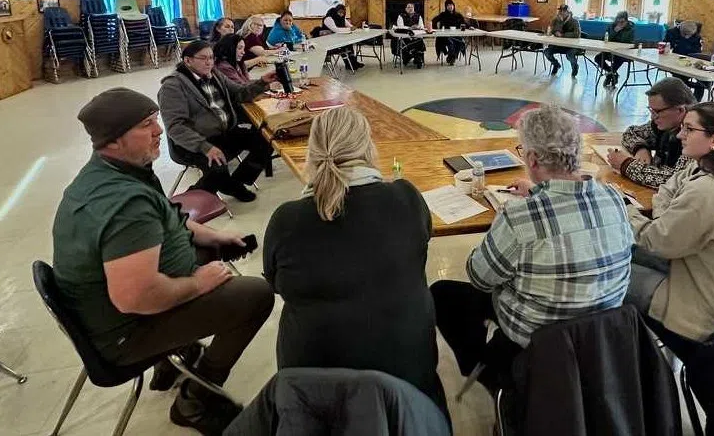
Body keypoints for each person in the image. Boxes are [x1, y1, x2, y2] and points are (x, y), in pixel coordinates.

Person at [52, 87, 275, 434]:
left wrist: (216, 238)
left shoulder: (117, 171)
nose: (159, 130)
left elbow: (169, 221)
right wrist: (197, 283)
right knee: (256, 295)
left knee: (204, 253)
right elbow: (135, 297)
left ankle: (174, 358)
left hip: (114, 312)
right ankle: (195, 400)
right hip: (126, 332)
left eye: (155, 119)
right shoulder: (125, 205)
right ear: (113, 140)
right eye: (145, 125)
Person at [431, 105, 633, 393]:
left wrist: (506, 222)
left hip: (540, 340)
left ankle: (491, 372)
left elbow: (479, 277)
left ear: (533, 158)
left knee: (443, 294)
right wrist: (537, 191)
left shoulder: (518, 218)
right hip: (600, 334)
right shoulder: (613, 198)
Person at [263, 107, 449, 419]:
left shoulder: (288, 219)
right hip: (409, 381)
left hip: (316, 389)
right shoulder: (406, 198)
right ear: (367, 147)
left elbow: (276, 284)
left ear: (313, 151)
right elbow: (419, 250)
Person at [623, 102, 714, 345]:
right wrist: (667, 216)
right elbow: (667, 189)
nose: (680, 135)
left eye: (689, 130)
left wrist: (624, 210)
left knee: (609, 272)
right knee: (626, 250)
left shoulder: (709, 190)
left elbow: (656, 242)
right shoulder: (711, 167)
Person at [158, 40, 275, 202]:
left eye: (212, 58)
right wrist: (205, 147)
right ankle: (186, 203)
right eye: (203, 58)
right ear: (188, 60)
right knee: (217, 169)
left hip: (224, 134)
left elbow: (240, 94)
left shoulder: (215, 74)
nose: (209, 62)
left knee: (268, 139)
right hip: (193, 143)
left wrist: (262, 82)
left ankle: (234, 183)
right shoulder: (172, 87)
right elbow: (176, 127)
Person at [606, 77, 696, 188]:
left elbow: (673, 180)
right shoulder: (666, 124)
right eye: (651, 110)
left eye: (657, 111)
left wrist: (625, 164)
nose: (653, 117)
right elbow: (631, 133)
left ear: (680, 110)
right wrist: (640, 148)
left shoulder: (696, 136)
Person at [594, 11, 635, 85]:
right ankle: (612, 73)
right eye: (618, 21)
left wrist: (622, 29)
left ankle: (610, 75)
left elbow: (627, 42)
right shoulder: (611, 26)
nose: (619, 23)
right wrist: (615, 31)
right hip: (610, 50)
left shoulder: (630, 29)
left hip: (624, 52)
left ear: (626, 21)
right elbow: (605, 39)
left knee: (619, 58)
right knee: (598, 58)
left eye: (622, 21)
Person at [543, 5, 581, 77]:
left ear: (568, 12)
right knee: (547, 52)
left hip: (571, 46)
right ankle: (556, 64)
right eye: (560, 10)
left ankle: (575, 67)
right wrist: (559, 23)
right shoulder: (556, 20)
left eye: (564, 11)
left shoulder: (575, 21)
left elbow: (577, 34)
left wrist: (563, 35)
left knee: (569, 55)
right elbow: (553, 31)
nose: (562, 12)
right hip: (559, 45)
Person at [322, 4, 363, 70]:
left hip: (338, 39)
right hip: (329, 42)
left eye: (343, 13)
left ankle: (353, 63)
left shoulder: (342, 18)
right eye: (340, 12)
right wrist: (349, 29)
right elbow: (336, 30)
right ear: (336, 11)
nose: (341, 14)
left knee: (349, 44)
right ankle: (349, 64)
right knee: (345, 45)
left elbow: (350, 26)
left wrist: (354, 27)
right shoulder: (328, 19)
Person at [431, 0, 467, 65]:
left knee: (460, 41)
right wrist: (436, 29)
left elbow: (464, 23)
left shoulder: (458, 15)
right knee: (450, 41)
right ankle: (452, 57)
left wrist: (469, 26)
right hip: (445, 36)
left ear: (453, 6)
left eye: (451, 5)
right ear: (446, 7)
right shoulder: (443, 14)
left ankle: (452, 57)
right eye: (448, 5)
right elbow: (434, 20)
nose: (450, 7)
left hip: (456, 35)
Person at [394, 2, 427, 68]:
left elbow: (422, 26)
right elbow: (400, 27)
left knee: (419, 41)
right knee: (417, 43)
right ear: (405, 9)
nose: (410, 9)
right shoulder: (401, 16)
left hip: (416, 36)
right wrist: (410, 28)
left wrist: (418, 27)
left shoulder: (418, 16)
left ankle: (414, 57)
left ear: (414, 8)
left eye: (412, 7)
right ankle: (417, 58)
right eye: (408, 7)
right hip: (405, 37)